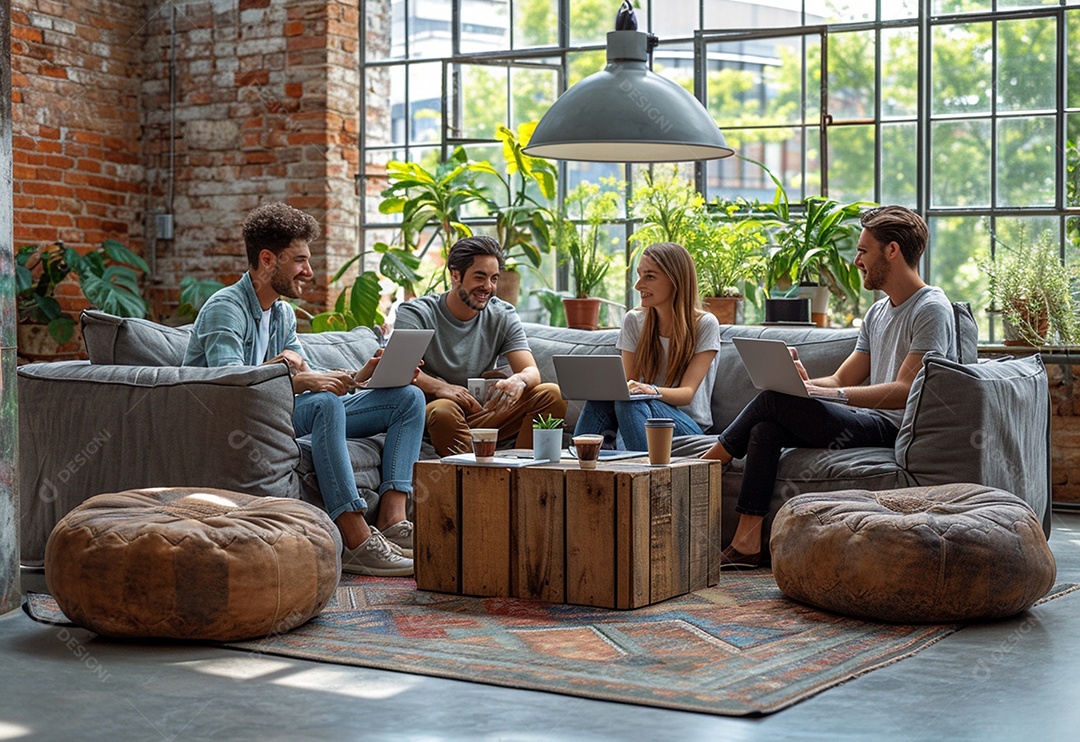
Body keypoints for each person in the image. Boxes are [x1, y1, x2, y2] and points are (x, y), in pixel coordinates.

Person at [701, 205, 957, 569]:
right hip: (866, 417)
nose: (856, 261)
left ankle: (701, 467)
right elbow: (840, 380)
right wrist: (802, 383)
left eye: (863, 251)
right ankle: (746, 545)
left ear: (892, 250)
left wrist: (828, 395)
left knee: (772, 402)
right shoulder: (878, 312)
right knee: (766, 427)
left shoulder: (931, 308)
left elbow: (905, 388)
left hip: (894, 427)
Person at [183, 202, 423, 577]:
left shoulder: (282, 313)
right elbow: (228, 384)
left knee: (408, 399)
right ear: (267, 260)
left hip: (280, 413)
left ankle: (393, 520)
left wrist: (361, 376)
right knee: (325, 403)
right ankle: (356, 539)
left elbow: (307, 372)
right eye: (299, 260)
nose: (309, 272)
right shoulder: (225, 309)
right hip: (234, 419)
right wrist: (302, 379)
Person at [393, 235, 567, 456]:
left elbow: (531, 371)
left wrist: (518, 380)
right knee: (442, 411)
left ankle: (520, 471)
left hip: (484, 411)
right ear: (455, 275)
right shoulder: (417, 313)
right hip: (440, 413)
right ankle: (475, 479)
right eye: (480, 277)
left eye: (494, 278)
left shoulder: (502, 314)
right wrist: (441, 388)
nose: (488, 287)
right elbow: (398, 369)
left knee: (552, 394)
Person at [574, 242, 721, 450]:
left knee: (630, 401)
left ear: (675, 280)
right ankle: (574, 473)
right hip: (641, 415)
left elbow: (687, 393)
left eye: (649, 276)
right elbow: (626, 386)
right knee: (601, 401)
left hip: (688, 426)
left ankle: (645, 477)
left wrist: (649, 390)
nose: (638, 285)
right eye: (639, 275)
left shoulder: (705, 324)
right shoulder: (634, 321)